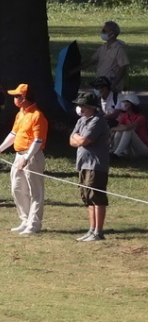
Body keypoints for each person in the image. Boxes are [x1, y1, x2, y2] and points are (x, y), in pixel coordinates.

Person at [0, 83, 48, 234]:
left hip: (32, 156)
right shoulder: (20, 113)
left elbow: (38, 140)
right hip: (19, 155)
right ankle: (25, 219)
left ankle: (34, 224)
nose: (14, 99)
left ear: (23, 97)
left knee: (35, 191)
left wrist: (27, 158)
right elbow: (14, 134)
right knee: (17, 188)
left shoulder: (37, 116)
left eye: (17, 96)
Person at [71, 90, 111, 241]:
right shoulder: (81, 121)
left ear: (92, 107)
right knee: (88, 198)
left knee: (97, 197)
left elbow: (83, 141)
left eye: (84, 106)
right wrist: (77, 138)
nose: (81, 109)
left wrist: (78, 138)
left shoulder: (97, 121)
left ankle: (98, 232)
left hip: (96, 165)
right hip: (82, 164)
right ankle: (91, 229)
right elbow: (72, 139)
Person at [83, 21, 129, 92]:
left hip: (111, 87)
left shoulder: (119, 49)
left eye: (104, 31)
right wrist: (73, 70)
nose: (102, 33)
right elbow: (90, 61)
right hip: (100, 85)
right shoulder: (102, 48)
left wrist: (114, 85)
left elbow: (123, 68)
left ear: (112, 33)